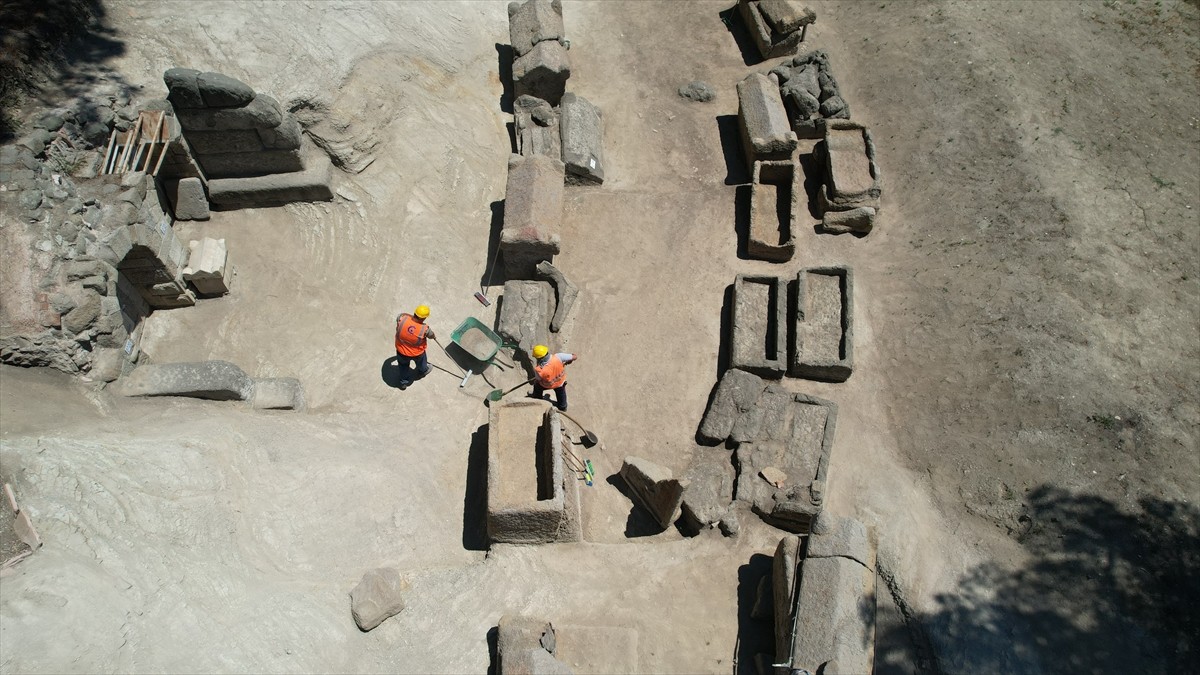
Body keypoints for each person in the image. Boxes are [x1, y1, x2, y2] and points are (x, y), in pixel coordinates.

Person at [395, 305, 436, 390]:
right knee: (422, 363)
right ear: (424, 318)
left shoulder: (402, 319)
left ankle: (403, 382)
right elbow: (431, 335)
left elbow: (401, 314)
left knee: (403, 366)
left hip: (401, 351)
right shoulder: (424, 329)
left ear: (414, 313)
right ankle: (423, 371)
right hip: (417, 353)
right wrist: (434, 336)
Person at [529, 344, 576, 411]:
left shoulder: (539, 369)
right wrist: (570, 360)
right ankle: (563, 407)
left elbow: (538, 379)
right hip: (560, 382)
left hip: (547, 385)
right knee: (561, 392)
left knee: (537, 385)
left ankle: (538, 400)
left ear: (538, 358)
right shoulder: (558, 357)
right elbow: (574, 357)